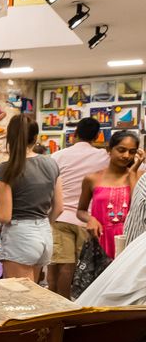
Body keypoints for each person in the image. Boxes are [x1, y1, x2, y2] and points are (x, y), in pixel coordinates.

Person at [0, 114, 63, 282]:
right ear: (35, 138)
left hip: (20, 236)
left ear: (10, 138)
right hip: (44, 234)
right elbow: (59, 207)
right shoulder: (51, 164)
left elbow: (4, 215)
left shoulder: (6, 169)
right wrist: (42, 224)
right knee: (33, 295)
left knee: (19, 300)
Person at [46, 117, 107, 296]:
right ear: (97, 136)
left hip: (60, 216)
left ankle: (57, 305)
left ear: (75, 134)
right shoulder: (104, 157)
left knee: (60, 264)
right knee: (82, 266)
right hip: (87, 220)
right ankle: (74, 307)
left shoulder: (57, 156)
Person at [77, 130, 144, 260]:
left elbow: (136, 205)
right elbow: (81, 211)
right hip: (101, 238)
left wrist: (132, 172)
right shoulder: (92, 179)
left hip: (130, 238)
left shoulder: (139, 176)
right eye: (121, 150)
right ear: (109, 149)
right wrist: (90, 219)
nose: (126, 156)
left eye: (132, 152)